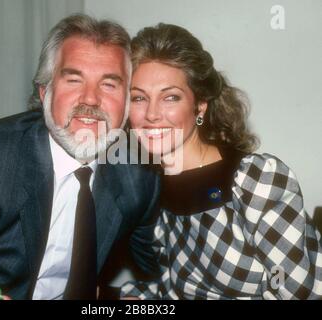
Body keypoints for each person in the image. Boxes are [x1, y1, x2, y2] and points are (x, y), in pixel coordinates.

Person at [0, 14, 160, 300]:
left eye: (109, 84)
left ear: (128, 103)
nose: (90, 99)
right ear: (45, 93)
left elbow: (161, 272)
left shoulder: (139, 174)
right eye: (74, 80)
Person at [121, 23, 322, 300]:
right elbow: (176, 290)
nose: (152, 114)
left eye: (170, 97)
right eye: (139, 98)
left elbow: (297, 292)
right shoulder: (153, 191)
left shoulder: (256, 180)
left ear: (199, 105)